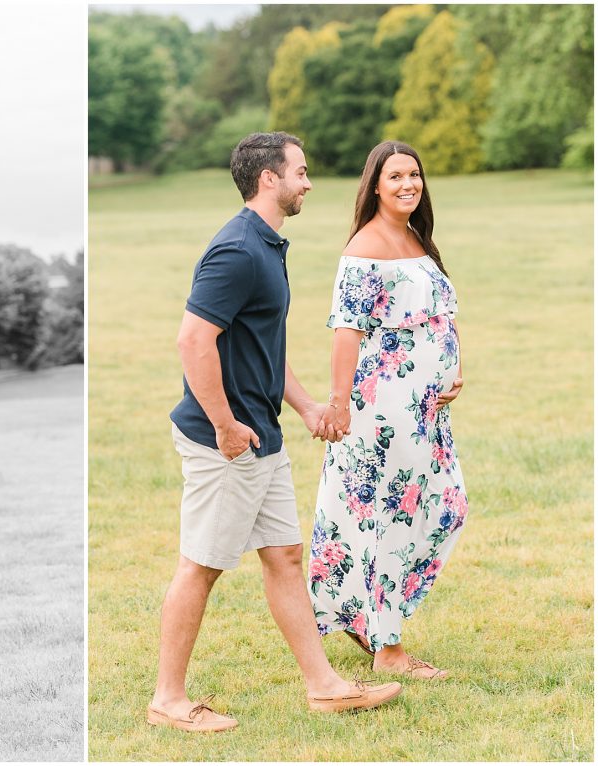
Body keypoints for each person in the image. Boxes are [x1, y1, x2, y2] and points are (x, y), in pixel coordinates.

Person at [148, 132, 402, 733]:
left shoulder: (268, 246)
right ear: (270, 178)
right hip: (226, 441)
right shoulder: (237, 249)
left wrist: (308, 405)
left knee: (286, 558)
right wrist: (224, 425)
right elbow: (193, 340)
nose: (309, 183)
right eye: (301, 172)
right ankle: (167, 700)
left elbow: (262, 343)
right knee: (201, 567)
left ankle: (326, 687)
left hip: (262, 432)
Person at [311, 141, 466, 680]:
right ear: (374, 185)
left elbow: (439, 315)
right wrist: (338, 405)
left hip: (427, 411)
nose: (408, 184)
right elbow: (347, 332)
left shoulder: (415, 238)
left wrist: (454, 369)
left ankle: (373, 615)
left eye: (415, 175)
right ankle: (389, 644)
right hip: (385, 411)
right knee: (391, 518)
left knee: (448, 505)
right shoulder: (365, 247)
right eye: (395, 176)